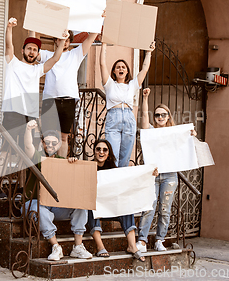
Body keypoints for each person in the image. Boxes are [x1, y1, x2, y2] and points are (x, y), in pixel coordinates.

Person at [136, 88, 196, 253]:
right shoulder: (151, 131)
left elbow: (188, 147)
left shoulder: (175, 133)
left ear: (169, 116)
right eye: (157, 115)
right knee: (149, 207)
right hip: (153, 175)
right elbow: (144, 120)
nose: (160, 117)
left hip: (170, 175)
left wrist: (191, 135)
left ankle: (159, 240)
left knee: (165, 209)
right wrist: (145, 99)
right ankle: (142, 240)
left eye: (163, 115)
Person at [23, 120, 92, 261]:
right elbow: (28, 146)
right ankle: (56, 246)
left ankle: (78, 247)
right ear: (42, 144)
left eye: (54, 143)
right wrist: (28, 129)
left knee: (81, 206)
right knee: (39, 211)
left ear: (59, 145)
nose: (50, 145)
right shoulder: (37, 157)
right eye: (47, 142)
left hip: (55, 206)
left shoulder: (62, 160)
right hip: (35, 203)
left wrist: (73, 164)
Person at [0, 18, 68, 158]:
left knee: (27, 150)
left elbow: (55, 58)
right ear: (23, 50)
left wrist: (62, 41)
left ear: (37, 54)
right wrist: (9, 28)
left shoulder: (37, 69)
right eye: (29, 48)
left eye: (35, 50)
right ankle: (1, 178)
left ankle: (20, 180)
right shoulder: (13, 63)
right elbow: (8, 46)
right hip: (12, 111)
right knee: (7, 148)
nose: (31, 52)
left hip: (29, 115)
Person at [34, 30, 101, 158]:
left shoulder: (75, 54)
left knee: (63, 138)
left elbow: (90, 39)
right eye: (61, 38)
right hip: (50, 100)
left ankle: (60, 167)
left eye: (67, 39)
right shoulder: (47, 55)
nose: (64, 41)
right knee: (48, 137)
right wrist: (32, 28)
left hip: (68, 100)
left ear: (70, 41)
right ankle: (47, 170)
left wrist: (98, 21)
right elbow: (33, 52)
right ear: (55, 40)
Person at [86, 139, 152, 262]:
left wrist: (150, 173)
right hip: (96, 208)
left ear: (108, 152)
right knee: (90, 206)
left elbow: (129, 183)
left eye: (105, 150)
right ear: (94, 152)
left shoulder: (114, 170)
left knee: (127, 207)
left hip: (111, 208)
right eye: (98, 149)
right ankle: (100, 247)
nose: (101, 152)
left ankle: (132, 246)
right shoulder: (88, 168)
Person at [99, 42, 155, 167]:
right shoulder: (109, 84)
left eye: (123, 67)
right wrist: (104, 45)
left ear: (127, 71)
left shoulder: (132, 85)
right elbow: (102, 64)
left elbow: (144, 69)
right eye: (118, 67)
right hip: (113, 118)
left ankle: (121, 183)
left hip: (129, 118)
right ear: (113, 71)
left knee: (125, 156)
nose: (121, 69)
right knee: (112, 155)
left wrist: (149, 52)